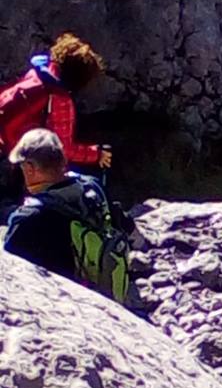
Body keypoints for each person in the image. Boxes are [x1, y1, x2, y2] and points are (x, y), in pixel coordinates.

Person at [4, 129, 129, 303]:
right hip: (104, 291)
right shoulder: (92, 187)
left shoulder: (29, 218)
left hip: (60, 304)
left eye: (21, 167)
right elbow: (123, 225)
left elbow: (8, 273)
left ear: (30, 169)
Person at [0, 33, 112, 217]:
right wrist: (96, 154)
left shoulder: (38, 73)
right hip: (17, 154)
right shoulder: (60, 99)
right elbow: (64, 149)